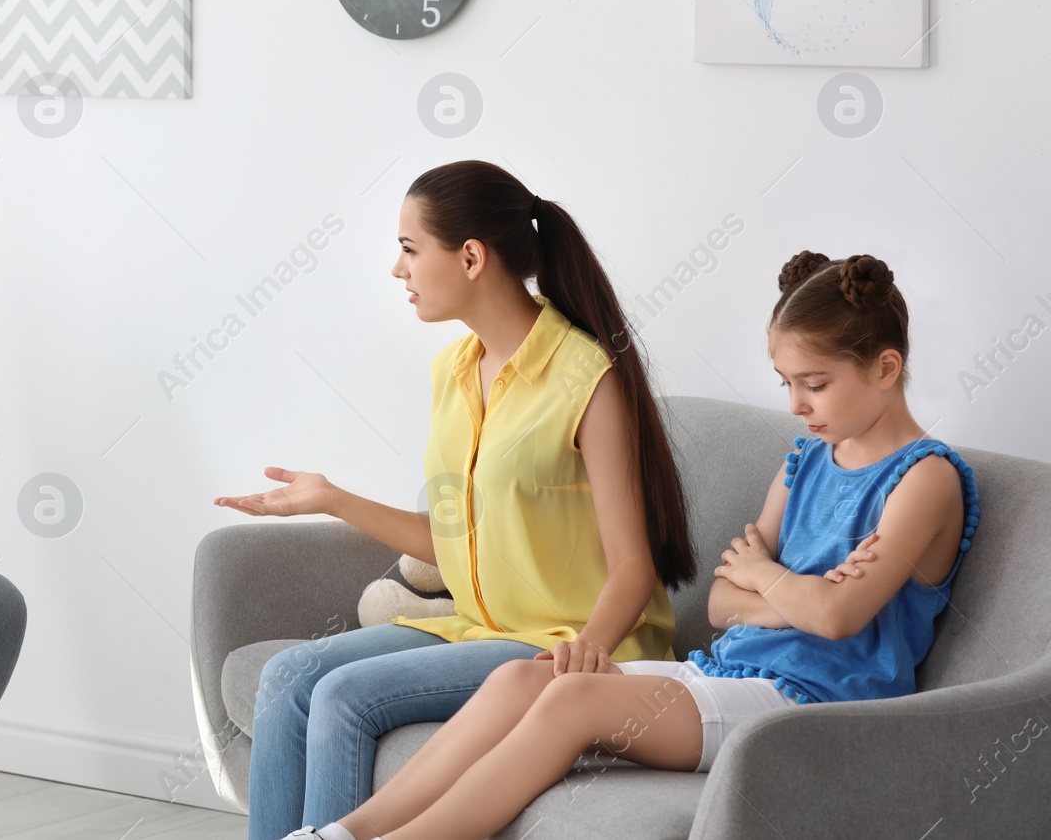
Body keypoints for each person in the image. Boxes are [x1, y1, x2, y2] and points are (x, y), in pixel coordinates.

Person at [287, 250, 979, 840]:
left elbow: (836, 620)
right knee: (524, 676)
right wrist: (790, 589)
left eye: (815, 384)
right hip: (732, 674)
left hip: (811, 708)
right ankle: (341, 832)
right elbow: (720, 601)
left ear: (886, 368)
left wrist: (767, 575)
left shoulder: (924, 478)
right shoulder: (805, 459)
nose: (796, 404)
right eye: (787, 384)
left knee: (572, 701)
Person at [215, 159, 698, 838]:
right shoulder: (455, 369)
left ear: (471, 256)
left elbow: (633, 567)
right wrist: (332, 497)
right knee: (289, 674)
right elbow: (453, 543)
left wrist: (585, 655)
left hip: (553, 643)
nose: (397, 269)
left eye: (410, 248)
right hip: (475, 627)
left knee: (344, 697)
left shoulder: (586, 375)